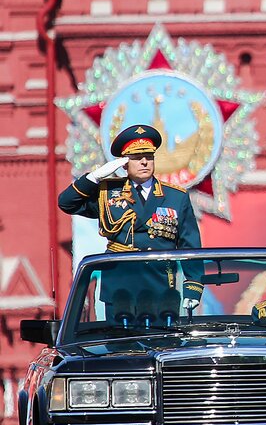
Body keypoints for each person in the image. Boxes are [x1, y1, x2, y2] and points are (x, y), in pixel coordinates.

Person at [58, 124, 203, 312]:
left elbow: (189, 245)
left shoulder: (175, 196)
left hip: (160, 285)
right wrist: (93, 178)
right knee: (119, 340)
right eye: (136, 158)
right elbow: (67, 203)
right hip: (120, 286)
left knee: (162, 341)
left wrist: (193, 288)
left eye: (149, 157)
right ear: (124, 163)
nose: (144, 162)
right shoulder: (108, 193)